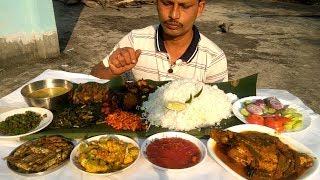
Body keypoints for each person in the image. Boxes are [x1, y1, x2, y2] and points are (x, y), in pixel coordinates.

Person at [91, 0, 228, 83]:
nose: (174, 15)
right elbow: (94, 75)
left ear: (200, 8)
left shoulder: (214, 58)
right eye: (167, 3)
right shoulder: (135, 40)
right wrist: (112, 71)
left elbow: (220, 105)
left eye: (184, 6)